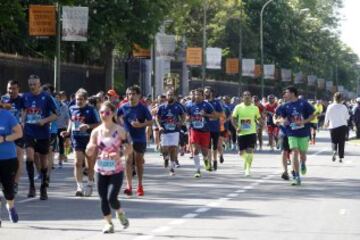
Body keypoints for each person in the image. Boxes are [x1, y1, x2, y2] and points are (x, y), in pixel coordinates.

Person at [86, 101, 130, 233]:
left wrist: (120, 154)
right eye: (101, 112)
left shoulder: (120, 130)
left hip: (116, 169)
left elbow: (129, 148)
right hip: (100, 169)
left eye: (107, 112)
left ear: (113, 113)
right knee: (103, 198)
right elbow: (89, 150)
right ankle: (109, 224)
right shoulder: (96, 132)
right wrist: (90, 148)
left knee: (112, 198)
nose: (104, 115)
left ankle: (120, 212)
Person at [22, 75, 58, 200]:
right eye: (30, 84)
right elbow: (24, 110)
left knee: (43, 162)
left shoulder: (47, 97)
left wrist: (44, 120)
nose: (32, 86)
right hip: (29, 131)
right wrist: (22, 121)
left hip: (43, 133)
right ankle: (32, 186)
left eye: (34, 84)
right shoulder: (25, 96)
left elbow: (55, 115)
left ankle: (43, 186)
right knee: (30, 158)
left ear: (39, 84)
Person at [61, 88, 100, 197]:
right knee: (77, 162)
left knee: (90, 165)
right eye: (77, 99)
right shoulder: (72, 108)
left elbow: (98, 123)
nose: (79, 101)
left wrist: (88, 126)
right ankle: (79, 186)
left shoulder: (91, 110)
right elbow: (71, 120)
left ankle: (90, 183)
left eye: (81, 99)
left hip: (89, 140)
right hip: (77, 139)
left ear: (86, 99)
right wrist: (67, 132)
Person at [117, 85, 153, 196]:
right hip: (127, 138)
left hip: (140, 138)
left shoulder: (143, 108)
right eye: (129, 94)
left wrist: (141, 124)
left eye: (133, 94)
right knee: (128, 161)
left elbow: (151, 121)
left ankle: (140, 185)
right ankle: (129, 186)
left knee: (138, 162)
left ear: (138, 96)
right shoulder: (123, 107)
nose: (131, 96)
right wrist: (121, 126)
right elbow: (117, 118)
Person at [277, 86, 315, 186]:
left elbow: (314, 114)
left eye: (287, 92)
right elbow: (279, 117)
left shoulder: (303, 103)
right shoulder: (285, 106)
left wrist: (304, 121)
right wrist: (282, 120)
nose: (285, 94)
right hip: (291, 133)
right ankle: (297, 176)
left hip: (303, 132)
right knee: (294, 152)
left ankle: (303, 163)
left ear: (293, 93)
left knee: (302, 154)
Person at [0, 101, 23, 225]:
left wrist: (4, 138)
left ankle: (10, 207)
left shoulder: (7, 116)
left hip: (7, 158)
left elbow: (19, 133)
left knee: (8, 190)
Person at [186, 88, 216, 178]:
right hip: (194, 130)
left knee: (204, 152)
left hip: (205, 131)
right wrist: (188, 119)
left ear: (202, 96)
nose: (197, 96)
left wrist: (205, 115)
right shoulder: (189, 105)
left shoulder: (207, 105)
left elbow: (215, 115)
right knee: (195, 150)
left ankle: (206, 161)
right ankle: (197, 170)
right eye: (195, 94)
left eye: (199, 94)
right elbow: (187, 116)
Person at [1, 80, 24, 194]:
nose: (11, 91)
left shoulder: (22, 99)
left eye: (14, 88)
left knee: (18, 154)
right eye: (9, 88)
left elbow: (26, 113)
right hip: (5, 131)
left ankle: (15, 182)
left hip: (17, 130)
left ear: (18, 89)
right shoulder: (3, 99)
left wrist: (23, 123)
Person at [232, 91, 262, 177]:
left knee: (250, 150)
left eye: (249, 95)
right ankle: (247, 163)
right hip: (241, 133)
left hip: (251, 132)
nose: (247, 97)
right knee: (241, 153)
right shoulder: (238, 107)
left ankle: (247, 169)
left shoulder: (255, 108)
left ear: (251, 97)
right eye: (245, 95)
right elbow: (233, 118)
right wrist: (236, 127)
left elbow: (258, 118)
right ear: (242, 98)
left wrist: (261, 123)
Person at [156, 89, 185, 175]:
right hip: (165, 131)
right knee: (164, 148)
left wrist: (180, 123)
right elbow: (157, 118)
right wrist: (159, 126)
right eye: (169, 95)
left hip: (175, 131)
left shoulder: (178, 106)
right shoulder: (162, 107)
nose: (170, 96)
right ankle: (166, 157)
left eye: (172, 95)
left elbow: (183, 116)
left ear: (175, 96)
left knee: (173, 148)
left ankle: (172, 169)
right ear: (166, 96)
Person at [325, 92, 350, 163]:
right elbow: (347, 117)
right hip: (342, 126)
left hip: (333, 126)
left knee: (333, 141)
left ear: (334, 98)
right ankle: (340, 157)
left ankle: (334, 151)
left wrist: (326, 123)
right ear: (341, 98)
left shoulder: (330, 106)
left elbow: (327, 116)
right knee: (341, 142)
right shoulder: (344, 107)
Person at [204, 86, 224, 171]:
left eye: (208, 92)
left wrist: (210, 115)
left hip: (215, 127)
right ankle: (209, 162)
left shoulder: (217, 103)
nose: (206, 93)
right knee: (208, 146)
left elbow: (221, 114)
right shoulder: (203, 103)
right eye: (205, 92)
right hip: (206, 127)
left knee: (215, 146)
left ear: (211, 93)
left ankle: (215, 160)